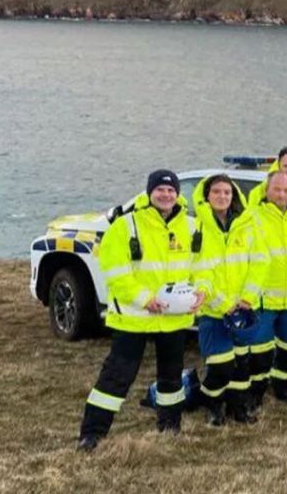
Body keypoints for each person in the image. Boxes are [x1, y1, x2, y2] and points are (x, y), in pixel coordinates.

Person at [78, 170, 204, 451]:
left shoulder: (192, 226)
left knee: (171, 377)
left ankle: (169, 427)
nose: (166, 195)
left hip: (173, 318)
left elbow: (200, 266)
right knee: (116, 376)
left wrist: (201, 291)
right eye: (160, 190)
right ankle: (92, 433)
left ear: (178, 194)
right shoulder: (125, 226)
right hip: (135, 317)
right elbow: (115, 272)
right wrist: (145, 298)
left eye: (171, 190)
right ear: (149, 192)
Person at [191, 174, 257, 425]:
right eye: (216, 192)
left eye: (227, 193)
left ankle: (238, 408)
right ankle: (212, 405)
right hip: (214, 310)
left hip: (242, 308)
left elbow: (259, 264)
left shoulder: (246, 225)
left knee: (241, 364)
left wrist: (248, 297)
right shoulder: (198, 227)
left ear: (234, 196)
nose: (222, 197)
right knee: (221, 367)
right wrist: (222, 303)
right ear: (207, 196)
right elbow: (200, 271)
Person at [243, 171, 287, 404]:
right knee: (260, 351)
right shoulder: (252, 216)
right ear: (266, 190)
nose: (282, 194)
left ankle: (283, 386)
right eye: (277, 189)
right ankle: (255, 391)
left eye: (286, 190)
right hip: (264, 298)